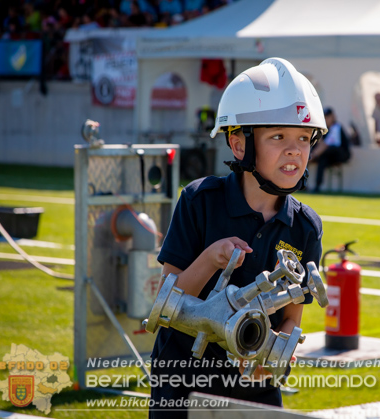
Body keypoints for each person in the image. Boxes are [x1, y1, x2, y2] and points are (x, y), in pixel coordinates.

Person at [149, 57, 327, 418]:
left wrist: (278, 352)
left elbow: (292, 316)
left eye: (304, 138)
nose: (294, 150)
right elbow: (167, 304)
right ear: (239, 143)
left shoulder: (306, 227)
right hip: (183, 375)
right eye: (278, 136)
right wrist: (210, 257)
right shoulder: (200, 201)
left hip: (254, 385)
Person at [309, 107, 351, 193]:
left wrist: (311, 157)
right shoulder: (324, 130)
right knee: (322, 160)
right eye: (324, 117)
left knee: (328, 150)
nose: (326, 119)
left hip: (341, 154)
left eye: (328, 117)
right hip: (329, 155)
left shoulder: (336, 127)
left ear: (333, 117)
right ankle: (317, 186)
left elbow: (325, 145)